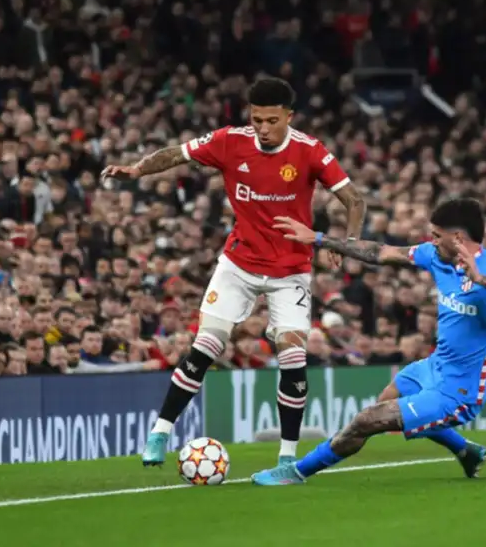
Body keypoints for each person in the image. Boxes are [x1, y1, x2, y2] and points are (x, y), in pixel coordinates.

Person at [101, 77, 366, 468]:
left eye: (272, 120)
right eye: (257, 119)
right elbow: (177, 154)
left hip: (291, 270)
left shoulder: (310, 150)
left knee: (293, 357)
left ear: (289, 117)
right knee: (206, 346)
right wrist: (137, 171)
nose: (263, 128)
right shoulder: (230, 140)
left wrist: (346, 244)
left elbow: (354, 200)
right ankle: (159, 433)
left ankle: (287, 459)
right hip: (239, 264)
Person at [251, 198, 486, 485]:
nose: (431, 241)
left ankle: (296, 472)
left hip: (460, 390)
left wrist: (480, 280)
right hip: (434, 366)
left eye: (436, 235)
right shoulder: (436, 256)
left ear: (457, 238)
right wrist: (320, 239)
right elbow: (380, 252)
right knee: (387, 399)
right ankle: (465, 450)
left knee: (367, 420)